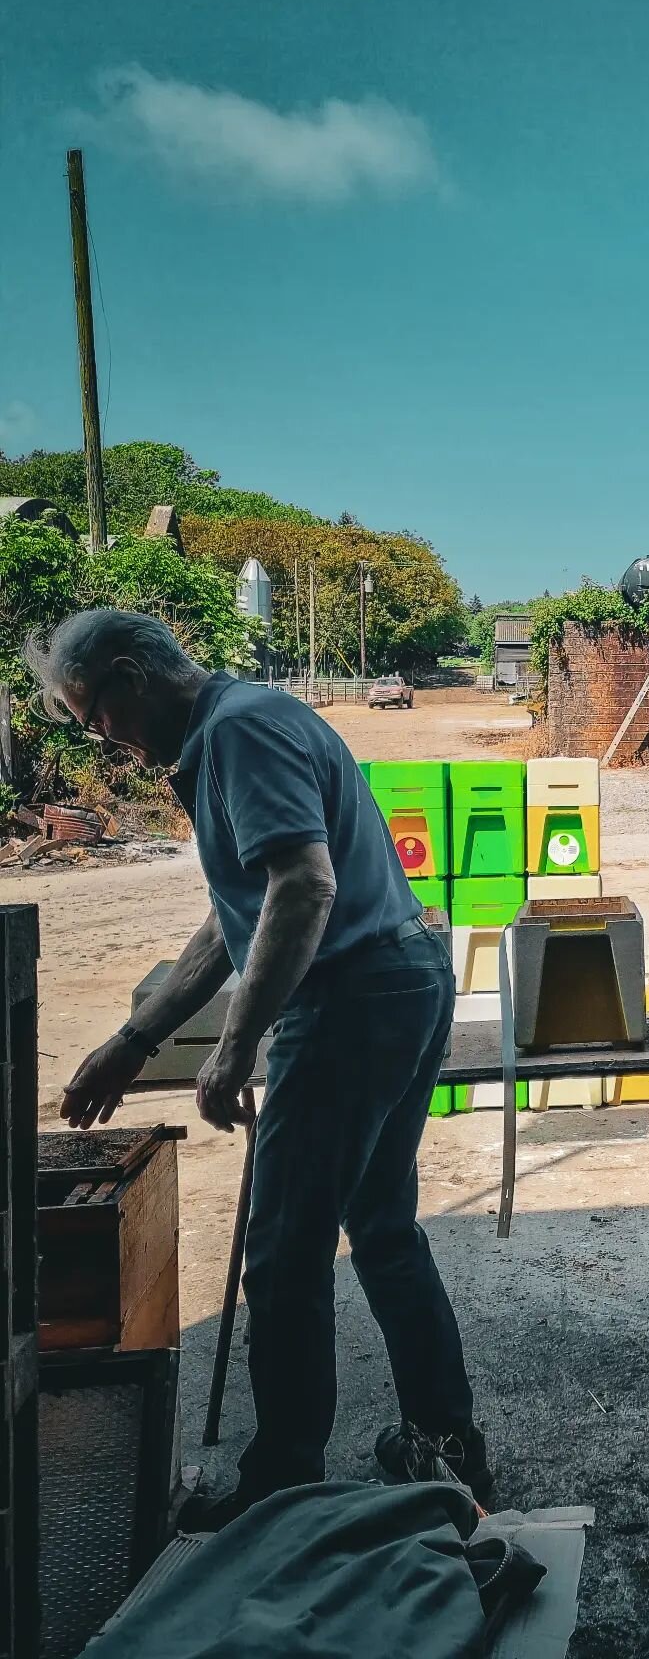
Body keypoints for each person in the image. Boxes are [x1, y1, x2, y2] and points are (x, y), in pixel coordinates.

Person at [27, 610, 492, 1529]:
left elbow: (305, 887)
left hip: (355, 998)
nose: (102, 740)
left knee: (281, 1256)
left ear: (130, 676)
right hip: (400, 979)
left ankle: (282, 1485)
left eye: (95, 716)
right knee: (385, 1230)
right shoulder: (237, 726)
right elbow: (231, 920)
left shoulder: (238, 731)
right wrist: (134, 1039)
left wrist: (239, 1045)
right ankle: (447, 1444)